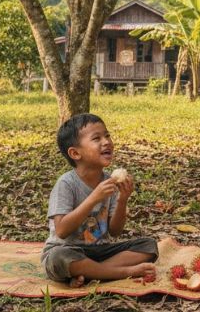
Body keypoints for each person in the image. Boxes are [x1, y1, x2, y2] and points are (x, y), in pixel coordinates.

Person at [41, 113, 157, 286]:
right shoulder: (66, 183)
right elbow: (62, 230)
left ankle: (91, 273)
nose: (106, 141)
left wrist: (123, 200)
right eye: (96, 138)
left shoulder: (109, 181)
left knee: (149, 246)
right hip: (68, 250)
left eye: (107, 135)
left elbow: (115, 231)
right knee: (58, 258)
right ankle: (121, 272)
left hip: (99, 250)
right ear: (75, 153)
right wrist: (94, 198)